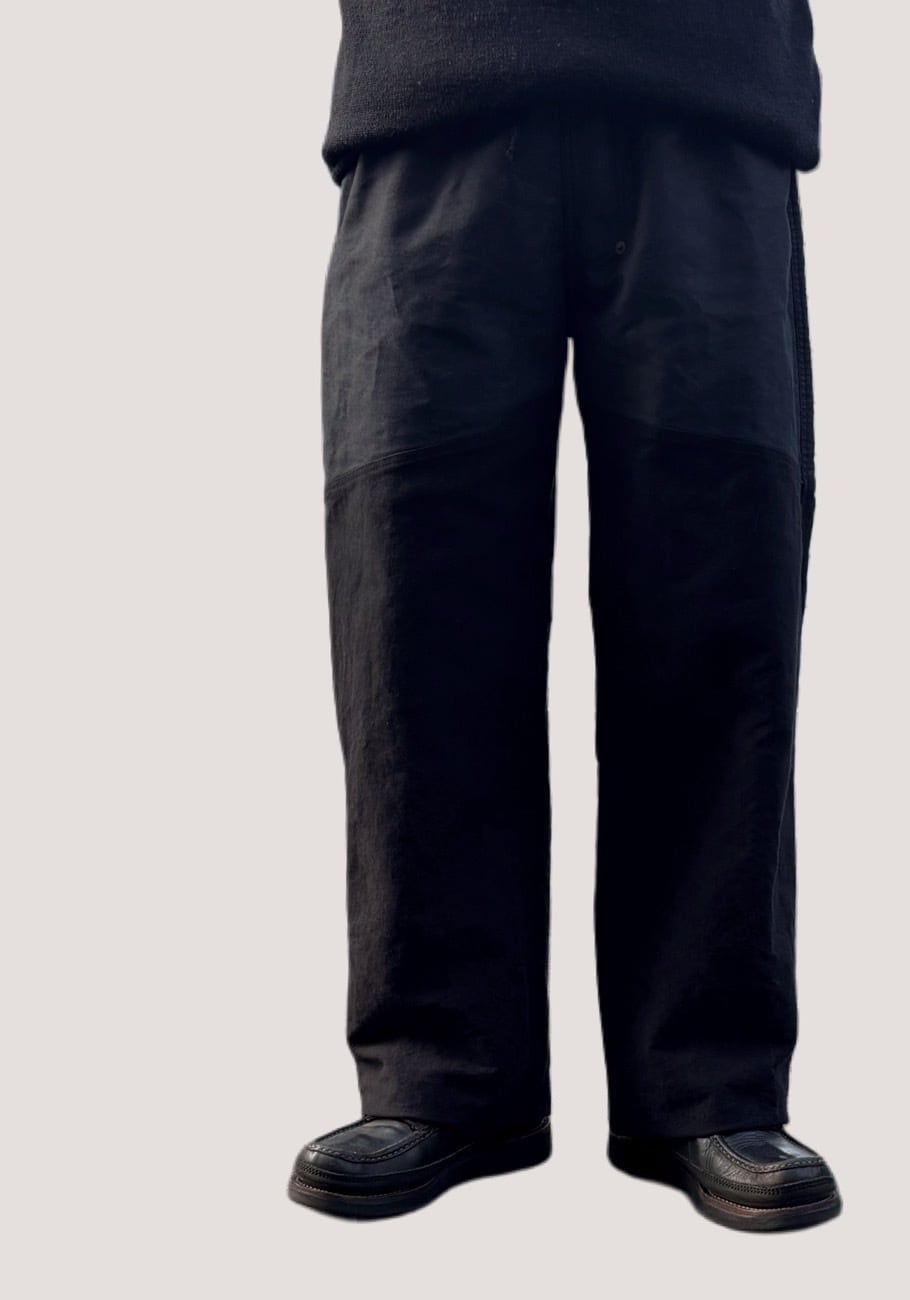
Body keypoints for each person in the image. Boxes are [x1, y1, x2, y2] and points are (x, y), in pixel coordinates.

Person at [288, 0, 841, 1232]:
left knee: (716, 599)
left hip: (705, 83)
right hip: (431, 87)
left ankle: (708, 1082)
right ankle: (440, 1073)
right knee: (415, 602)